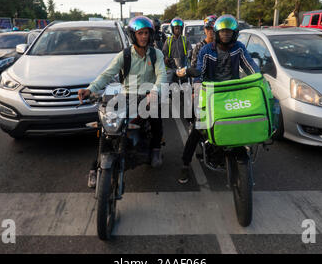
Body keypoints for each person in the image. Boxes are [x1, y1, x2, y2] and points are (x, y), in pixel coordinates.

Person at [78, 16, 167, 188]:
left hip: (149, 96)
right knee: (106, 128)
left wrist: (154, 92)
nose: (144, 37)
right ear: (133, 35)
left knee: (156, 119)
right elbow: (107, 74)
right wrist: (91, 89)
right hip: (126, 96)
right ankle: (95, 168)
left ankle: (156, 149)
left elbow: (161, 75)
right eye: (140, 33)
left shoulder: (156, 54)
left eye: (146, 33)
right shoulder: (124, 55)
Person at [175, 14, 260, 184]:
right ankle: (185, 165)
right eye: (223, 32)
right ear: (216, 32)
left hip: (233, 91)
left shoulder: (239, 48)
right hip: (212, 91)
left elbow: (251, 66)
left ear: (234, 33)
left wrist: (260, 79)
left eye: (229, 32)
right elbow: (200, 70)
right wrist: (198, 89)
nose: (226, 35)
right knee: (198, 128)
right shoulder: (206, 50)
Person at [162, 17, 192, 83]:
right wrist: (166, 58)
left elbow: (190, 50)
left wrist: (189, 55)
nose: (178, 30)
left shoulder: (185, 39)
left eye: (179, 28)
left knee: (185, 85)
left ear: (182, 29)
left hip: (183, 66)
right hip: (172, 67)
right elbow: (164, 52)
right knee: (171, 87)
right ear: (172, 29)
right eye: (176, 28)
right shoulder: (168, 40)